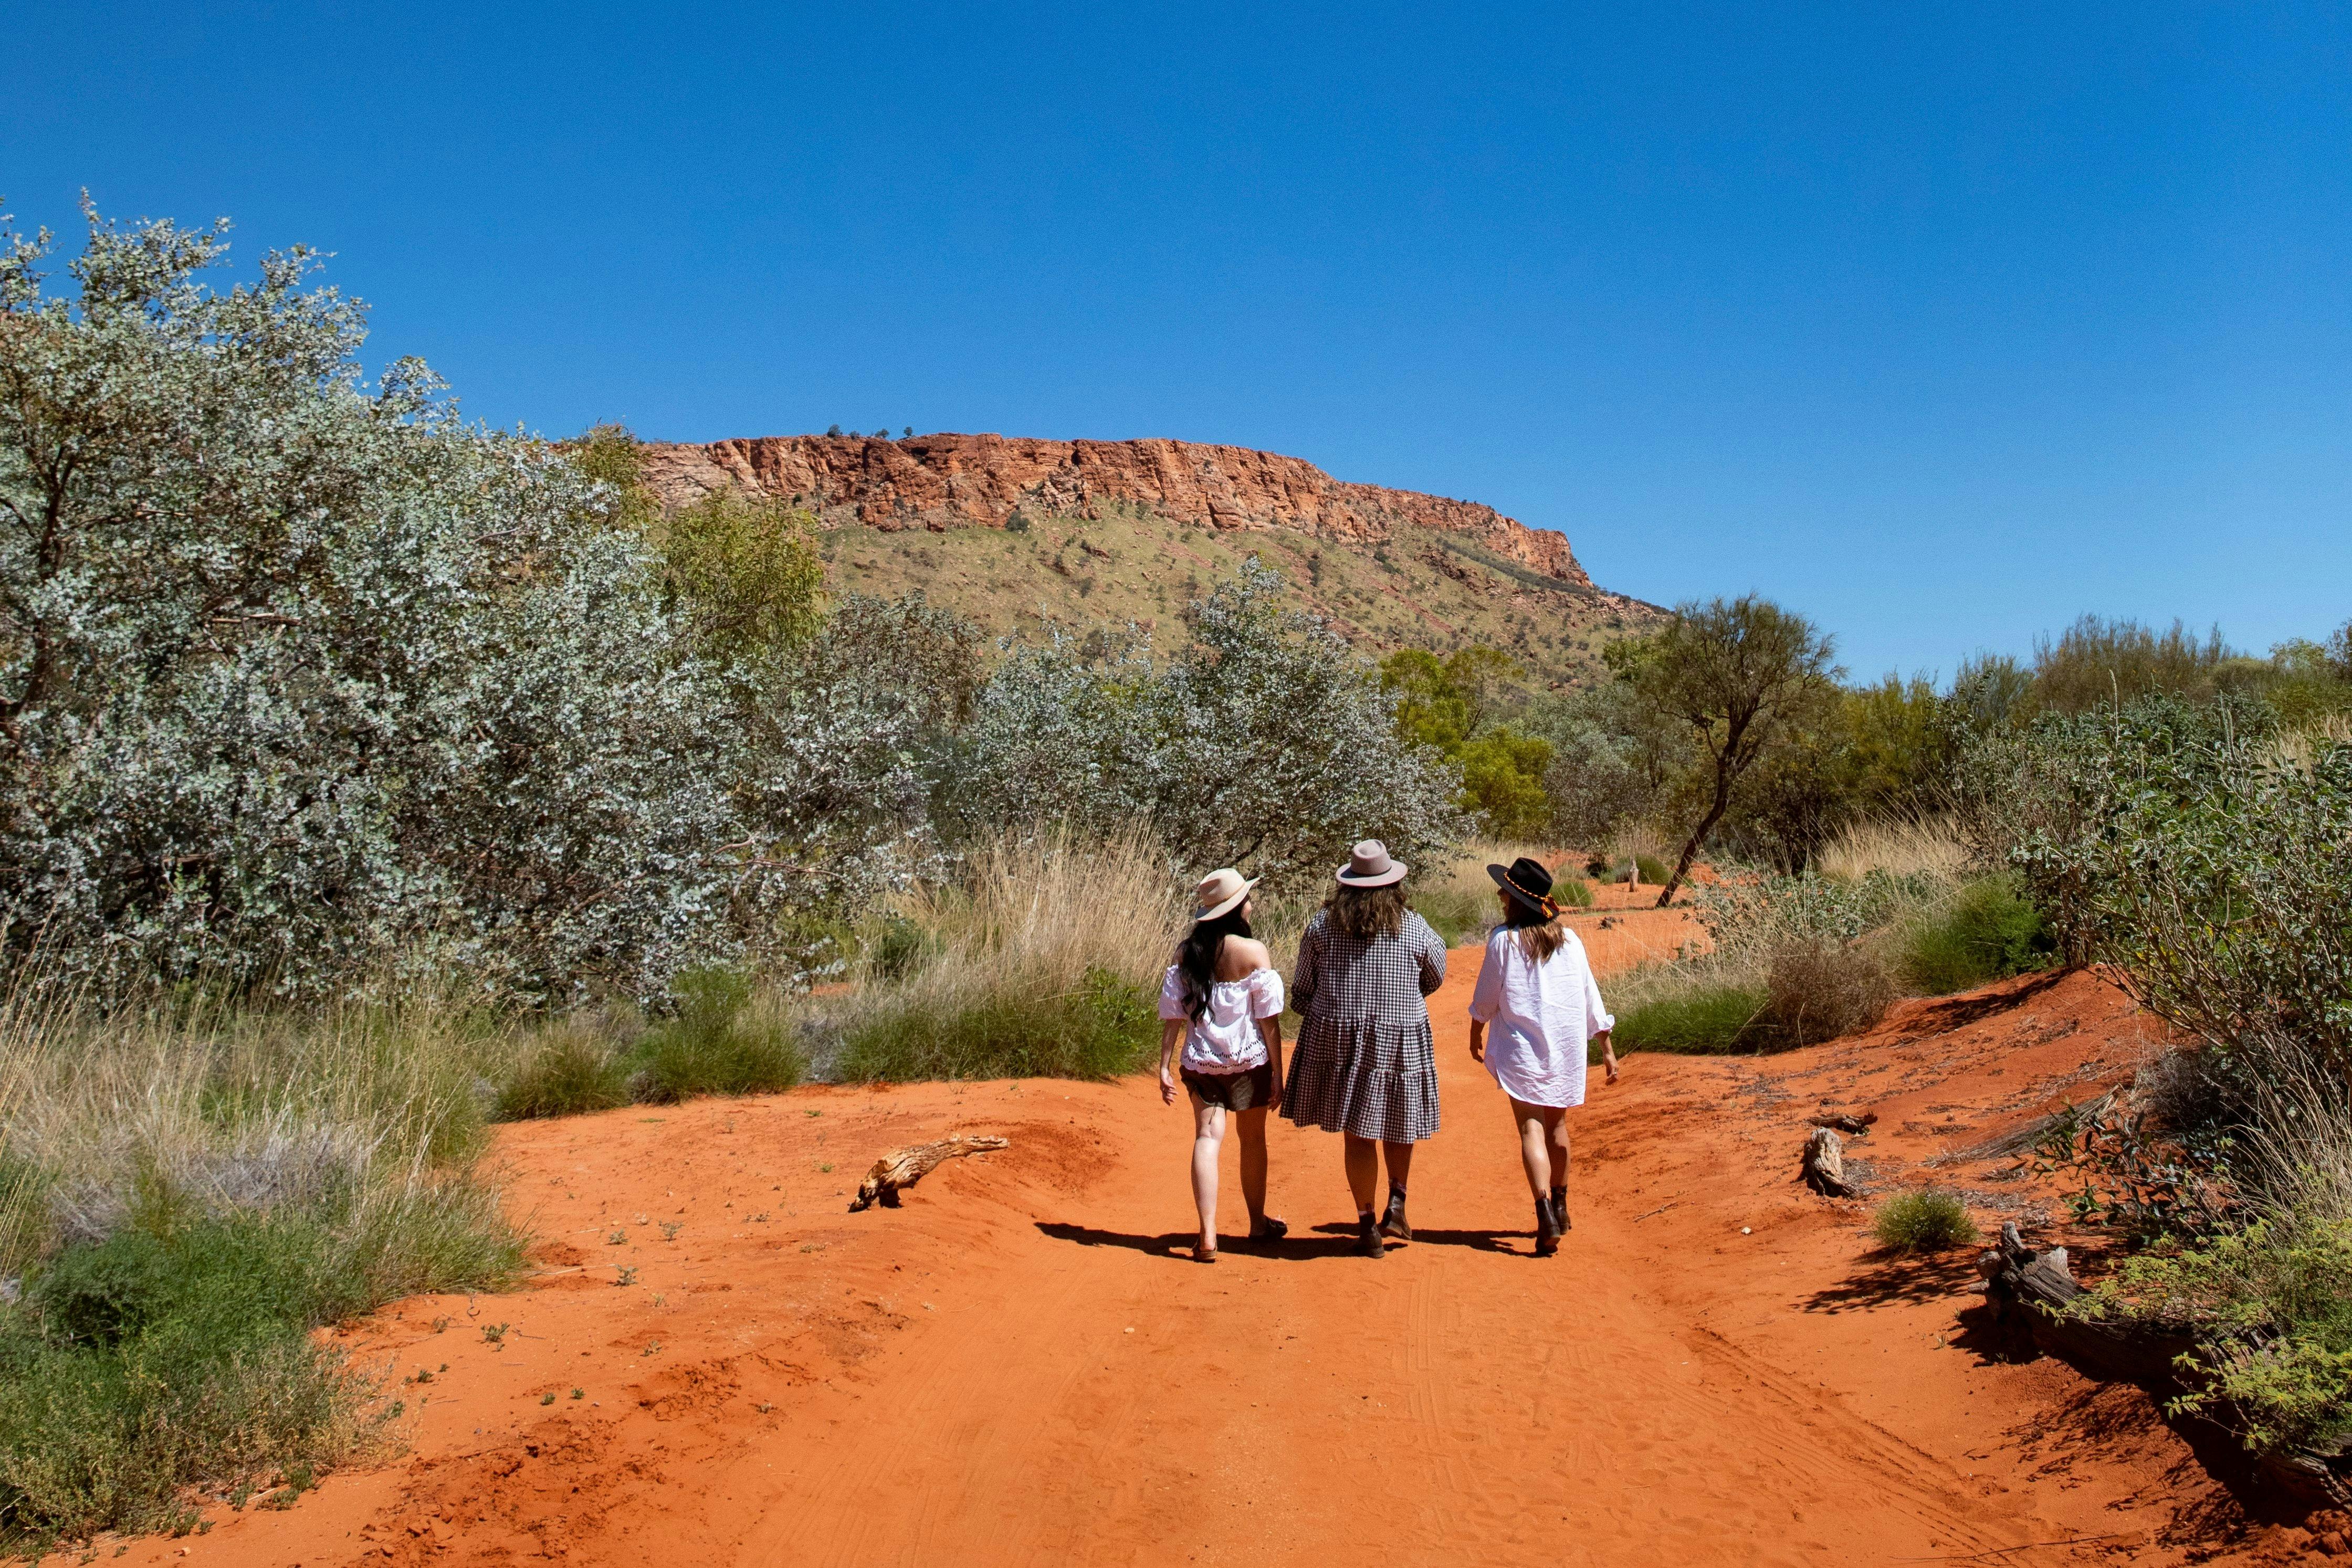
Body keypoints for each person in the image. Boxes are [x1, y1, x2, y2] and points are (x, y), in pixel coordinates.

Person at [1282, 840, 1447, 1258]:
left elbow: (1301, 991)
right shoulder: (1413, 925)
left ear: (1347, 886)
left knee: (1357, 1135)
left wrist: (1332, 1009)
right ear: (1393, 885)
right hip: (1399, 1035)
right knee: (1399, 1118)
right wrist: (1401, 1000)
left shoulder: (1321, 925)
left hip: (1340, 1040)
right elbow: (1435, 974)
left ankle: (1367, 1222)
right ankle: (1398, 1202)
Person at [1467, 856, 1619, 1257]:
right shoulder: (1570, 941)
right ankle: (1562, 1206)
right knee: (1558, 1127)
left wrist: (1476, 1028)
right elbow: (1590, 994)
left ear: (1517, 900)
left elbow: (1487, 996)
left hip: (1522, 1049)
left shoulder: (1504, 941)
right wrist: (1606, 1047)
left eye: (1505, 892)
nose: (1500, 896)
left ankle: (1545, 1212)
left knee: (1530, 1129)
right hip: (1565, 1047)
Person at [1158, 868, 1288, 1263]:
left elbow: (1173, 1015)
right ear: (1235, 909)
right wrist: (1278, 1072)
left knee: (1206, 1138)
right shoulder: (1253, 952)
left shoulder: (1188, 953)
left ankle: (1208, 1234)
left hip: (1202, 1063)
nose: (1251, 904)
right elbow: (1269, 1021)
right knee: (1253, 1140)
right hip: (1249, 1062)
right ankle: (1257, 1224)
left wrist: (1164, 1065)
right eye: (1247, 899)